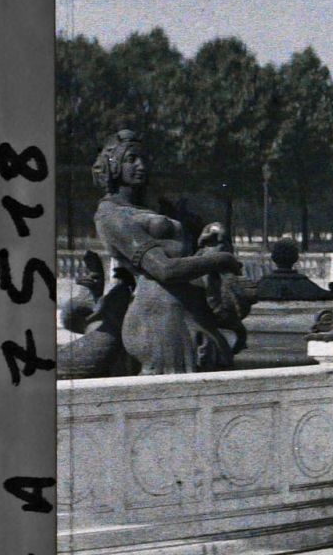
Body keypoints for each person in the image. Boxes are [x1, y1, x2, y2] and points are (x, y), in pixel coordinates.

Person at [90, 129, 249, 374]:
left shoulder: (147, 208)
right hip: (159, 317)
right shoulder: (111, 215)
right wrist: (221, 260)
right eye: (131, 160)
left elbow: (178, 259)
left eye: (143, 159)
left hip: (189, 312)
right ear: (113, 166)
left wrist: (204, 246)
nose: (141, 166)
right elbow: (164, 269)